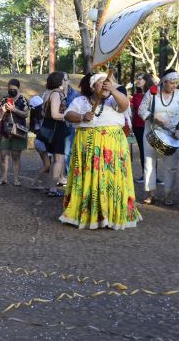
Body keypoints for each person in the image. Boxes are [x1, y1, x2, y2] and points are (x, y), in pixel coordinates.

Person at [59, 72, 139, 229]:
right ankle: (89, 213)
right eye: (101, 82)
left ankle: (112, 214)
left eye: (108, 82)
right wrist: (82, 117)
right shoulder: (81, 101)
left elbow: (125, 105)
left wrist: (114, 90)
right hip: (88, 146)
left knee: (111, 178)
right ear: (92, 86)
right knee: (89, 179)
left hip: (113, 147)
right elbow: (68, 115)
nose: (105, 84)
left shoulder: (113, 100)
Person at [138, 68, 179, 206]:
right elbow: (141, 110)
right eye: (172, 83)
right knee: (149, 164)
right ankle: (150, 193)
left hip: (172, 136)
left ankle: (168, 193)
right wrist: (154, 116)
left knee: (171, 166)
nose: (175, 86)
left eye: (176, 83)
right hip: (151, 133)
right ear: (164, 82)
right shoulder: (152, 92)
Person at [37, 71, 70, 197]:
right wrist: (68, 116)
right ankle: (53, 189)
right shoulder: (56, 94)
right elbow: (55, 114)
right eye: (65, 80)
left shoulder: (48, 93)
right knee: (59, 160)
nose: (67, 82)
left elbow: (44, 113)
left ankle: (50, 186)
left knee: (55, 160)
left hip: (49, 128)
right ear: (59, 81)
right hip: (57, 129)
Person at [0, 79, 29, 186]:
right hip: (5, 131)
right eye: (9, 89)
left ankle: (16, 179)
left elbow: (25, 114)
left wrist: (14, 110)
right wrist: (3, 110)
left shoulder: (23, 100)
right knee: (3, 155)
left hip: (18, 131)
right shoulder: (4, 99)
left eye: (14, 89)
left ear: (18, 89)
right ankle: (3, 178)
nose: (11, 91)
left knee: (16, 156)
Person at [129, 73, 153, 181]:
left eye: (140, 79)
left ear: (146, 80)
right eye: (137, 79)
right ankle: (145, 174)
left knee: (152, 151)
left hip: (149, 126)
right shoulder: (135, 96)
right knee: (143, 150)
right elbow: (131, 109)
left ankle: (153, 175)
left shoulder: (153, 94)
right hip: (137, 126)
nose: (138, 81)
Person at [28, 94, 51, 190]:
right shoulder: (43, 117)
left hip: (38, 142)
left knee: (48, 165)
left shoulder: (34, 118)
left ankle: (46, 184)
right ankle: (34, 182)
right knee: (47, 165)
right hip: (42, 143)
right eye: (42, 105)